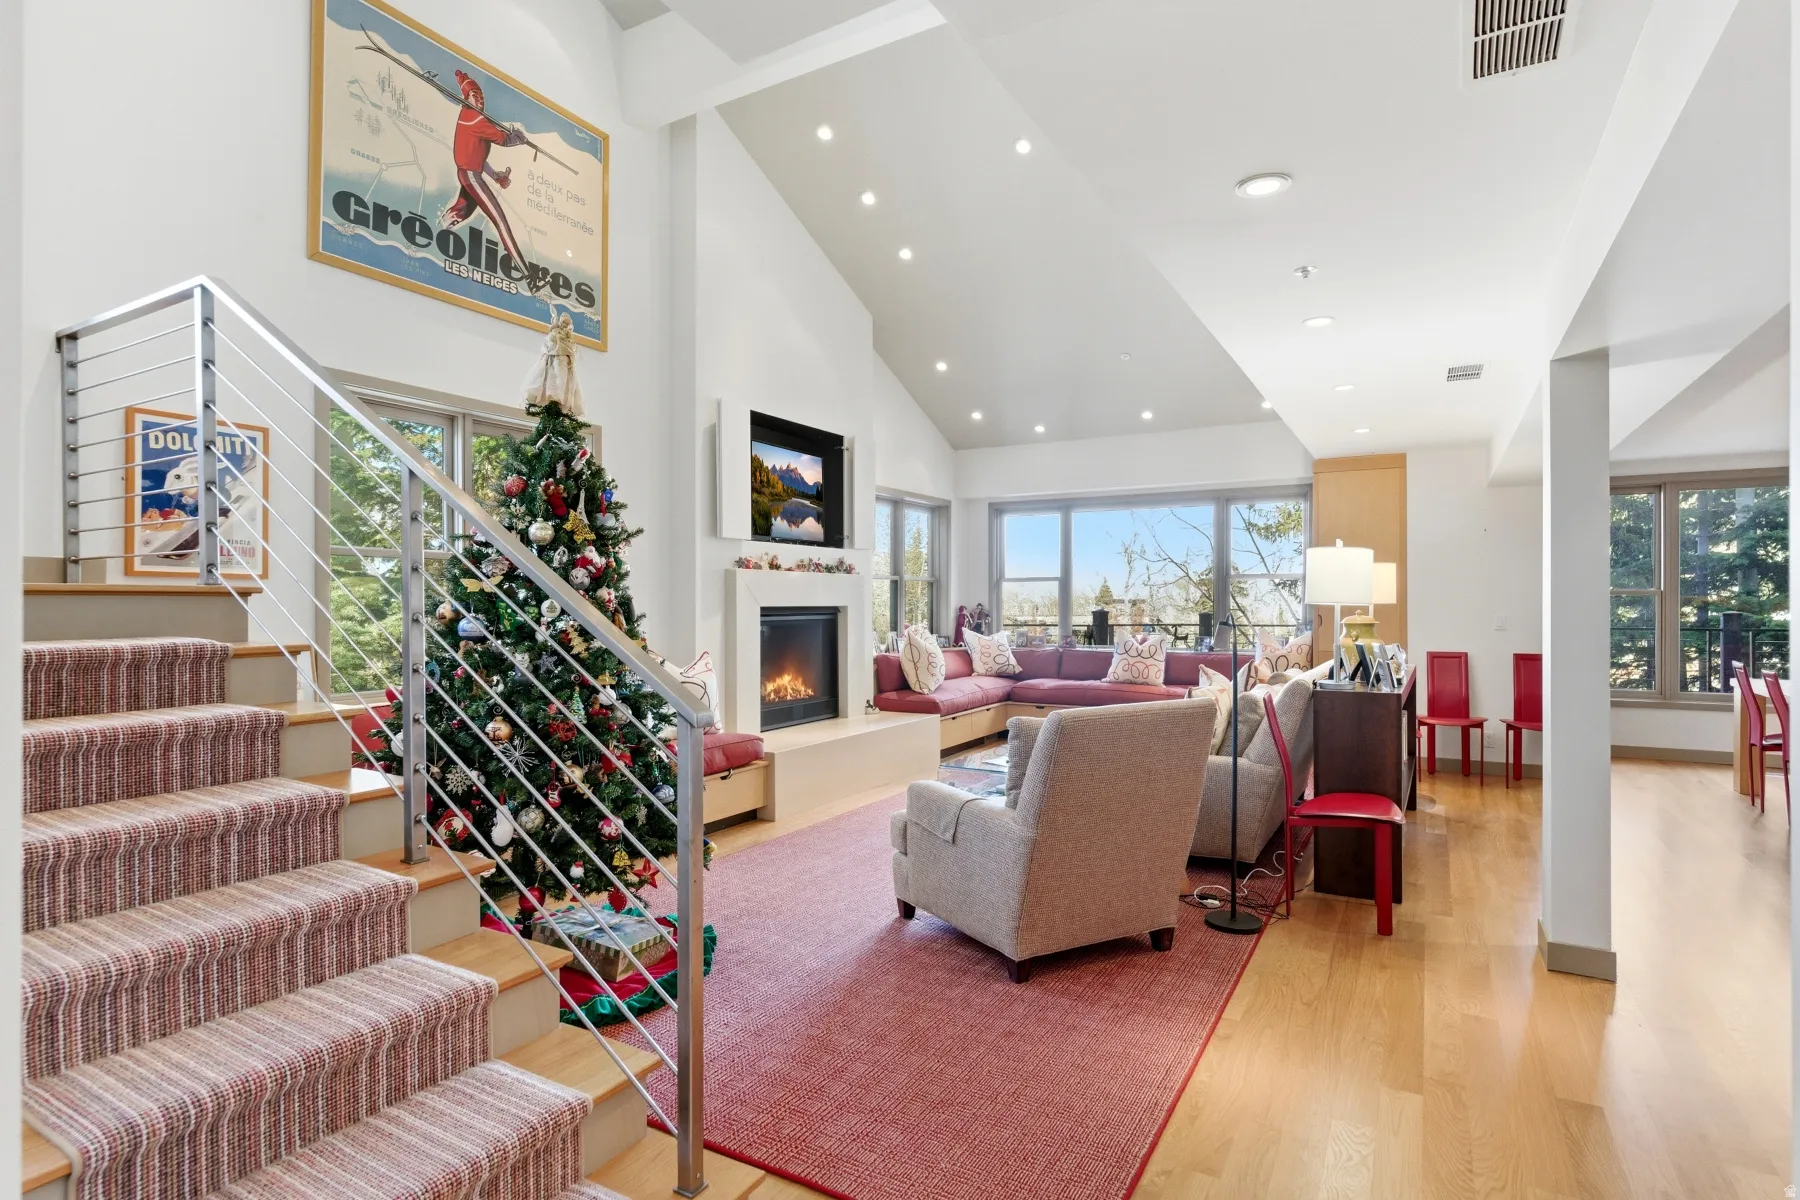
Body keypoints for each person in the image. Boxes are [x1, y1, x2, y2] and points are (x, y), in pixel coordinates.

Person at [441, 70, 540, 290]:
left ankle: (442, 225)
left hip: (469, 172)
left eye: (481, 95)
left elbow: (476, 156)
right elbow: (503, 139)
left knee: (463, 209)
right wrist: (519, 138)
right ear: (467, 98)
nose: (480, 99)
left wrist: (496, 176)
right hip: (470, 175)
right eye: (475, 95)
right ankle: (528, 276)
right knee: (500, 219)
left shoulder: (470, 116)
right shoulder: (474, 118)